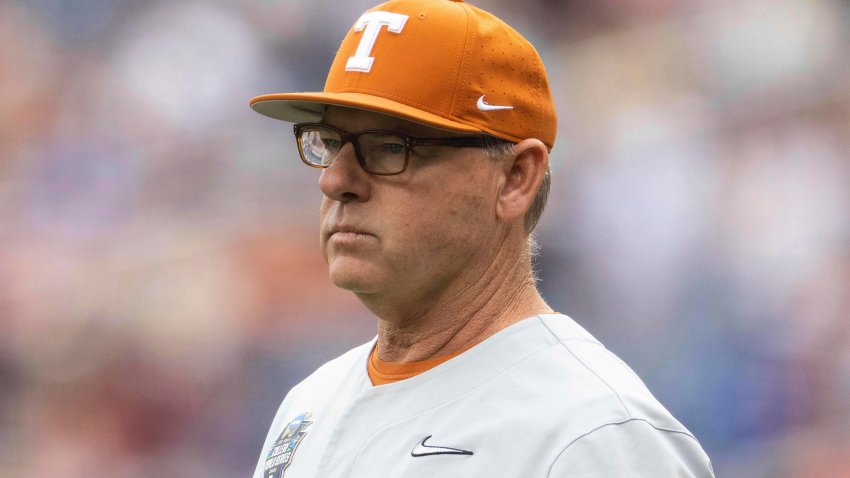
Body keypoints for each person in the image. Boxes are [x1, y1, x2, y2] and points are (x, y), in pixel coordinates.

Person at [248, 0, 714, 476]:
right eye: (328, 143)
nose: (335, 180)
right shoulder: (307, 405)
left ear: (515, 178)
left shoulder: (594, 433)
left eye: (390, 147)